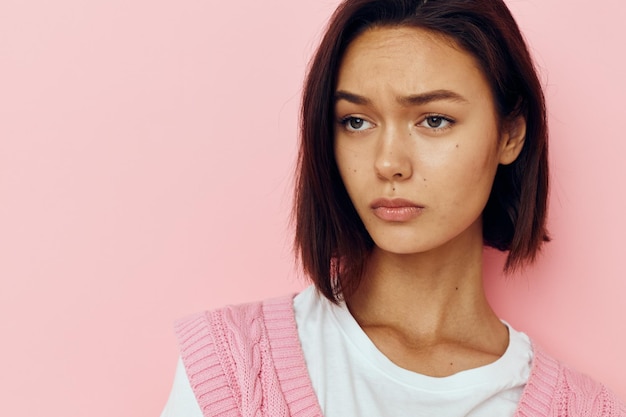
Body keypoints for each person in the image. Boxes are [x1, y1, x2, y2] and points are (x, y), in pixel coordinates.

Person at [160, 0, 626, 416]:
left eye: (434, 120)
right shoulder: (232, 366)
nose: (388, 163)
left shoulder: (584, 409)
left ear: (510, 135)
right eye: (356, 121)